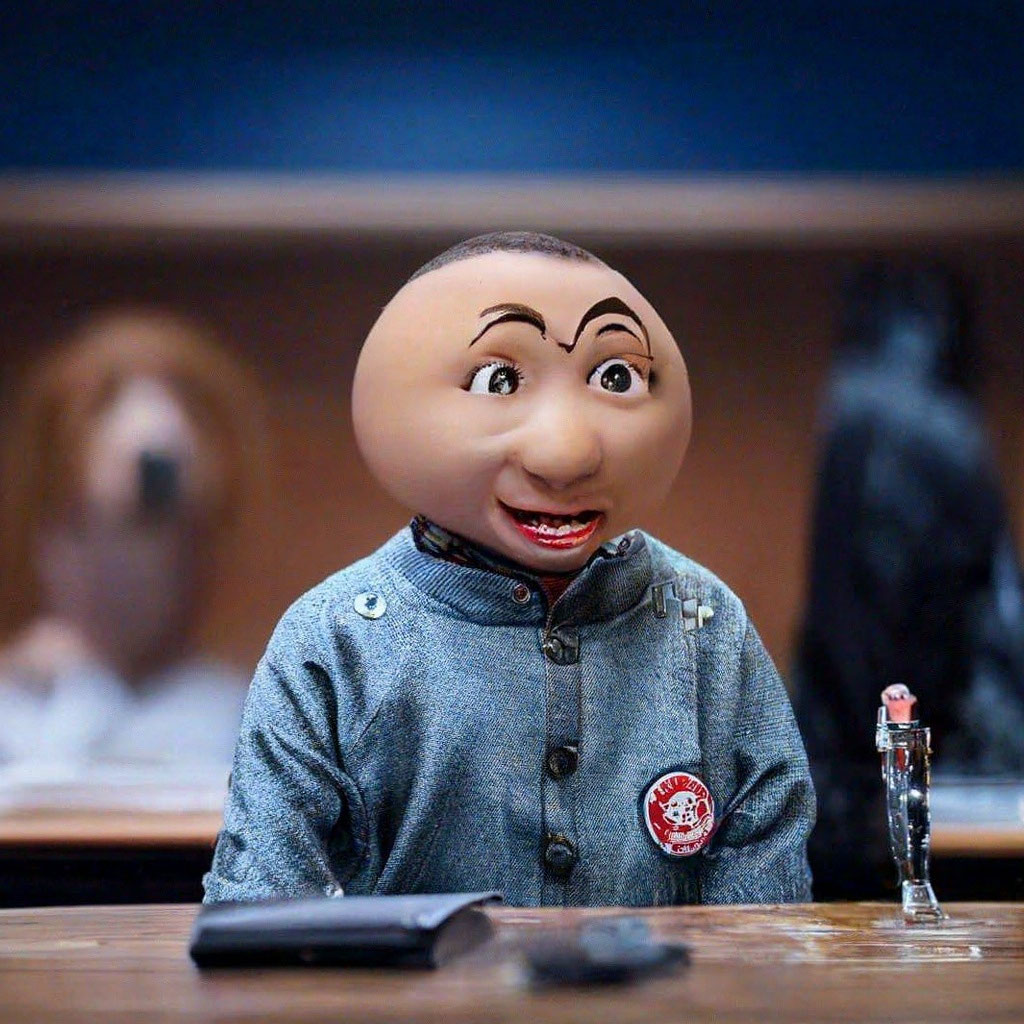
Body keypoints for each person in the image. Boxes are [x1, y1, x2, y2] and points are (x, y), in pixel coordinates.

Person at [204, 232, 814, 906]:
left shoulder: (706, 626)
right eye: (498, 381)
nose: (565, 456)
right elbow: (261, 908)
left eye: (615, 377)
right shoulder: (334, 641)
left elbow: (766, 903)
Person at [794, 263, 1024, 899]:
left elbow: (861, 629)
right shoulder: (929, 425)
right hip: (947, 767)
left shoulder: (864, 416)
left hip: (885, 776)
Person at [0, 309, 264, 781]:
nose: (134, 562)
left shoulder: (234, 715)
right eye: (76, 522)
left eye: (169, 529)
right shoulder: (17, 709)